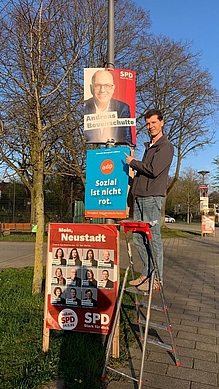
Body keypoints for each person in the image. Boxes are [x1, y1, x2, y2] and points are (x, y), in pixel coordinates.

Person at [125, 109, 174, 291]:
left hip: (152, 198)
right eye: (147, 123)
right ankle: (147, 273)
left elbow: (153, 170)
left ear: (161, 122)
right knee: (138, 238)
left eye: (153, 122)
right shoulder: (150, 147)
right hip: (139, 198)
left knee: (153, 239)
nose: (150, 126)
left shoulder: (165, 147)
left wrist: (133, 162)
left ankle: (157, 279)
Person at [84, 69, 133, 144]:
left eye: (107, 85)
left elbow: (127, 140)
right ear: (91, 88)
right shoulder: (84, 108)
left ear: (113, 88)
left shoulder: (123, 108)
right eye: (97, 85)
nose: (102, 90)